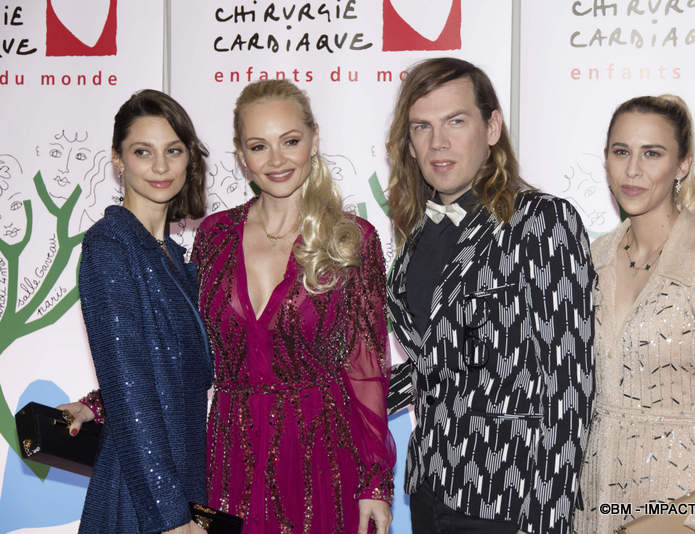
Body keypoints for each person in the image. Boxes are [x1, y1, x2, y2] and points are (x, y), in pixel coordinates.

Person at [65, 80, 396, 534]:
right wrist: (99, 404)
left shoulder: (352, 239)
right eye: (259, 146)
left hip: (320, 457)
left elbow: (368, 366)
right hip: (228, 459)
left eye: (291, 141)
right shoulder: (215, 237)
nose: (276, 160)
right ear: (241, 155)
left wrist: (374, 481)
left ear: (314, 139)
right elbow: (186, 355)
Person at [384, 57, 595, 534]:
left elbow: (568, 382)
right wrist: (342, 399)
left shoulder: (541, 221)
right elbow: (435, 364)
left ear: (492, 127)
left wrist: (546, 519)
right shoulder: (419, 233)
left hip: (508, 496)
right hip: (429, 487)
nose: (438, 141)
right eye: (422, 126)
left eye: (456, 121)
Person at [573, 95, 695, 534]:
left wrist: (662, 525)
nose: (633, 170)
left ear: (682, 165)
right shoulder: (591, 260)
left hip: (679, 514)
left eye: (653, 154)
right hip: (591, 509)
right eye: (621, 151)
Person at [67, 89, 212, 534]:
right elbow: (131, 386)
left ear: (189, 158)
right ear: (118, 160)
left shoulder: (178, 259)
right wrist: (169, 515)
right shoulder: (111, 245)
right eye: (142, 152)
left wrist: (96, 404)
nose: (161, 167)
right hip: (143, 493)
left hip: (187, 477)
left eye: (173, 150)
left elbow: (168, 372)